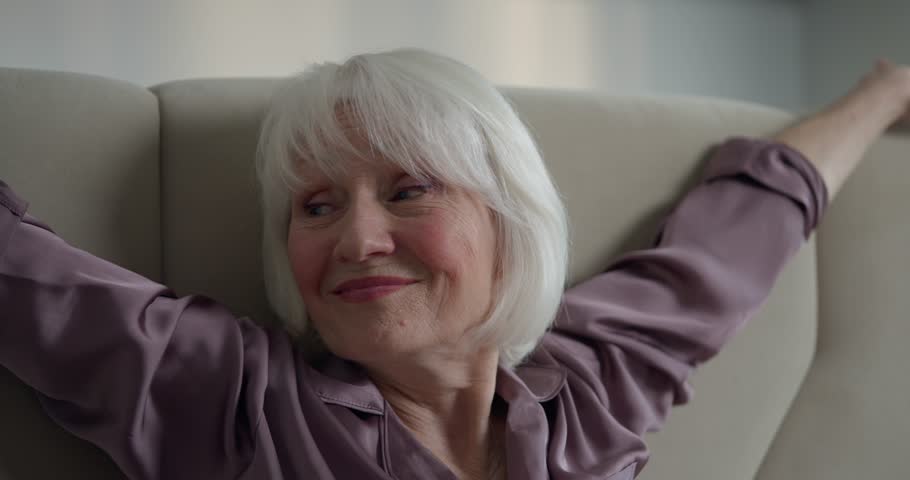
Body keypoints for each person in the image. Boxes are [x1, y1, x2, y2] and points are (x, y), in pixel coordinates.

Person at [0, 49, 907, 480]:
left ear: (508, 223)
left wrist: (889, 89)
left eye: (409, 190)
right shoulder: (235, 397)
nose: (356, 240)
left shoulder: (590, 389)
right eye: (316, 206)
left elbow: (747, 223)